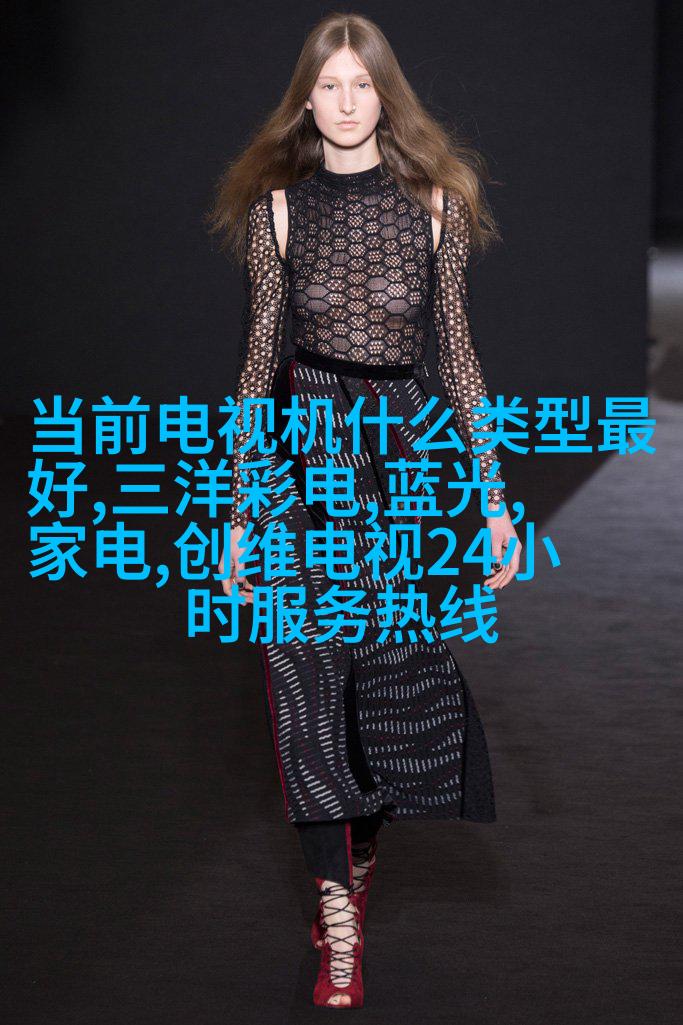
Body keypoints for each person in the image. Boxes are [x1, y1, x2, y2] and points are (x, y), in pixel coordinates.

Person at [211, 11, 521, 1009]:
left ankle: (361, 847)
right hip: (301, 454)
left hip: (397, 462)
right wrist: (236, 514)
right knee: (303, 678)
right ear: (305, 98)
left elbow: (459, 359)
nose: (345, 102)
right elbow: (256, 366)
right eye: (328, 85)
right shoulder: (277, 211)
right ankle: (338, 918)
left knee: (383, 685)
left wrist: (494, 501)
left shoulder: (436, 205)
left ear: (384, 95)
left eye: (361, 84)